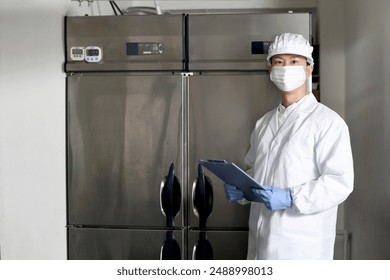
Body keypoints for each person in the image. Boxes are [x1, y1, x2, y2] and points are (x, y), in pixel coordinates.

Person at [224, 33, 354, 260]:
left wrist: (292, 197)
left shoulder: (328, 122)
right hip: (262, 240)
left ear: (308, 70)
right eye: (279, 62)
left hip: (302, 247)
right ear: (270, 71)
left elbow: (338, 183)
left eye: (294, 61)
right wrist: (243, 187)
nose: (286, 68)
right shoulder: (263, 124)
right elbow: (258, 171)